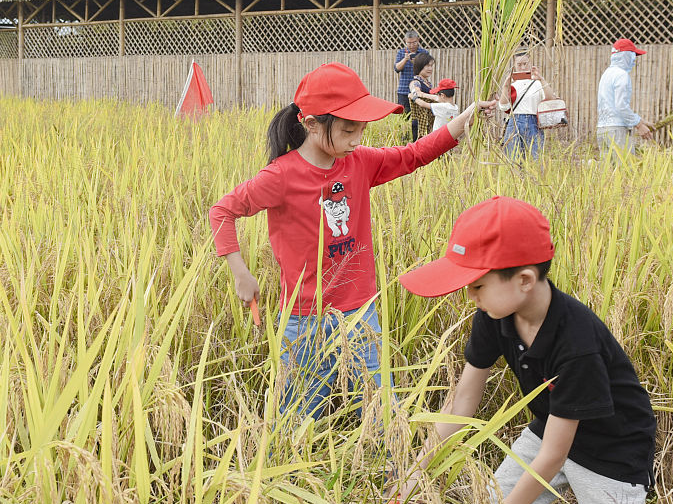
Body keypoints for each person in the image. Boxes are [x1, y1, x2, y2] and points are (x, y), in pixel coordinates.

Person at [397, 197, 656, 504]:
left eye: (477, 285)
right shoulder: (494, 316)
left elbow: (553, 456)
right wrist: (418, 469)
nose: (471, 297)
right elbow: (463, 400)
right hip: (551, 428)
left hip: (611, 452)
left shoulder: (577, 343)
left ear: (524, 280)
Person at [208, 62, 489, 422]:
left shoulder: (359, 163)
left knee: (380, 414)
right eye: (348, 129)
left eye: (361, 129)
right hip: (303, 320)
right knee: (295, 421)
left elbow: (413, 154)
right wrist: (240, 273)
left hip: (360, 314)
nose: (357, 139)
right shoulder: (280, 176)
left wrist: (464, 119)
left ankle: (393, 474)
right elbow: (222, 212)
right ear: (311, 124)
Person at [596, 38, 652, 158]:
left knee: (609, 172)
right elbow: (621, 106)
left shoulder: (607, 74)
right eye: (633, 56)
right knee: (625, 171)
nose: (634, 61)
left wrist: (641, 120)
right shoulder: (622, 75)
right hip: (617, 132)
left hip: (602, 129)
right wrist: (638, 125)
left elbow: (610, 105)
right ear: (625, 56)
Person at [499, 51, 558, 160]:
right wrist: (505, 87)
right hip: (514, 121)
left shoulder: (537, 83)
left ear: (530, 64)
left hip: (533, 122)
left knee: (536, 159)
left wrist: (541, 78)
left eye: (525, 64)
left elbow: (550, 98)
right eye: (519, 65)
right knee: (514, 159)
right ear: (514, 66)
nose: (522, 67)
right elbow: (503, 107)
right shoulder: (511, 84)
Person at [393, 30, 431, 142]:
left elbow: (426, 70)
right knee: (404, 118)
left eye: (414, 42)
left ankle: (417, 141)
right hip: (404, 91)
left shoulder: (423, 53)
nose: (411, 45)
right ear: (405, 42)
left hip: (420, 90)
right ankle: (403, 141)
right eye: (409, 43)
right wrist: (405, 59)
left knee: (419, 118)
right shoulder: (401, 53)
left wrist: (416, 62)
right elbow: (397, 68)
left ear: (418, 40)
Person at [406, 53, 437, 143]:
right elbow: (416, 93)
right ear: (420, 66)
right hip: (420, 122)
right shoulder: (415, 82)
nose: (430, 69)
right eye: (427, 66)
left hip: (428, 120)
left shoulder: (427, 83)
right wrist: (435, 98)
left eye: (431, 66)